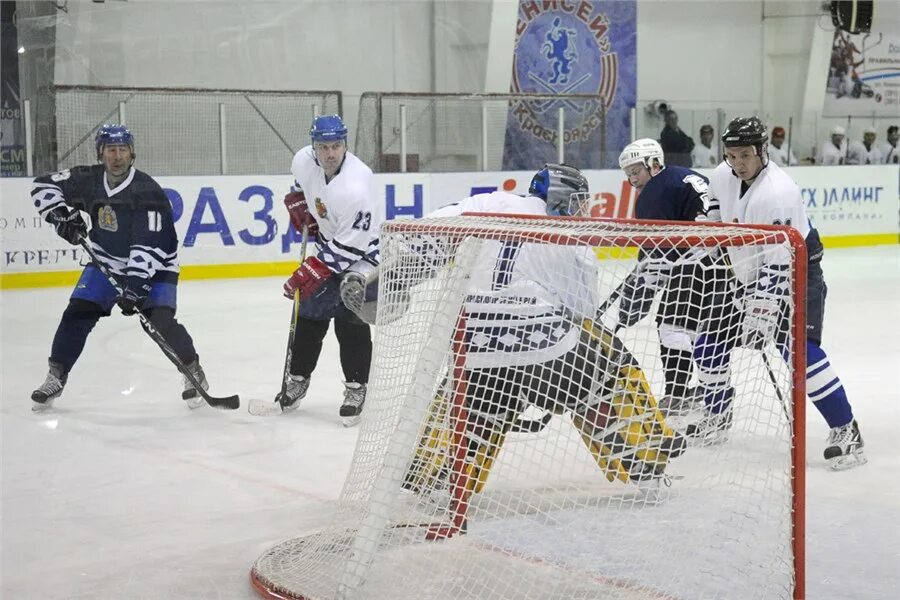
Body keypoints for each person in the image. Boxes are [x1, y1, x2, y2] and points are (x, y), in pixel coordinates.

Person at [341, 164, 687, 498]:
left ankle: (436, 474)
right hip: (544, 346)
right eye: (579, 200)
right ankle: (646, 462)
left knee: (473, 399)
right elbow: (584, 317)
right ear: (560, 197)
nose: (582, 209)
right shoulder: (573, 243)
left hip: (472, 340)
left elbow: (427, 234)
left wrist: (388, 280)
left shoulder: (489, 203)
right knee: (610, 364)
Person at [688, 116, 865, 471]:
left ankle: (846, 430)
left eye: (746, 155)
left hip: (796, 270)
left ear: (762, 151)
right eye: (732, 155)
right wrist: (710, 227)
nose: (738, 163)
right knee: (708, 341)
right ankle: (718, 415)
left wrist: (761, 311)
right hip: (748, 269)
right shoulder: (725, 173)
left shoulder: (778, 193)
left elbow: (778, 265)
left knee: (798, 351)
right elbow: (716, 204)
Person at [30, 124, 209, 411]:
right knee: (77, 313)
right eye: (111, 150)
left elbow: (149, 244)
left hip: (157, 264)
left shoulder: (147, 191)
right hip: (106, 261)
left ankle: (192, 371)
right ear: (101, 153)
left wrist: (136, 286)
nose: (117, 156)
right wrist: (60, 217)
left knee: (159, 322)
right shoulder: (87, 178)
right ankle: (56, 376)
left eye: (122, 149)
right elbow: (43, 184)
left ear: (131, 153)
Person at [278, 114, 382, 426]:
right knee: (309, 315)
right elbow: (300, 183)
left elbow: (351, 247)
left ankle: (356, 388)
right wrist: (298, 200)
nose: (330, 153)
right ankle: (297, 378)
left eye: (336, 146)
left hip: (365, 256)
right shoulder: (303, 160)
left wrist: (311, 270)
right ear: (314, 147)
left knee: (349, 319)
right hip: (330, 246)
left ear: (345, 145)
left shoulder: (355, 186)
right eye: (323, 147)